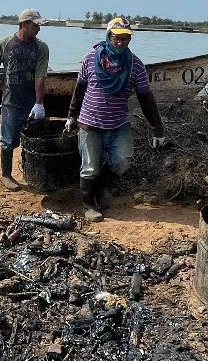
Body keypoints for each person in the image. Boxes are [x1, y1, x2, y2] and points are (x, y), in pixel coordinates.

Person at [65, 17, 167, 221]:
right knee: (90, 167)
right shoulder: (90, 58)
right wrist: (71, 115)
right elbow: (80, 88)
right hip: (90, 124)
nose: (121, 43)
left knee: (123, 161)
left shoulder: (135, 65)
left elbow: (145, 97)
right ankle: (88, 204)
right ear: (108, 36)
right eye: (117, 38)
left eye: (126, 39)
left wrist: (158, 128)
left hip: (118, 125)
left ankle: (101, 189)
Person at [0, 8, 50, 191]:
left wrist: (39, 103)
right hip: (10, 100)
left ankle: (32, 172)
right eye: (36, 26)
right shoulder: (5, 44)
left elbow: (40, 77)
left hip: (31, 102)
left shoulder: (41, 47)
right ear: (24, 24)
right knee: (8, 141)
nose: (38, 29)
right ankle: (6, 175)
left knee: (34, 138)